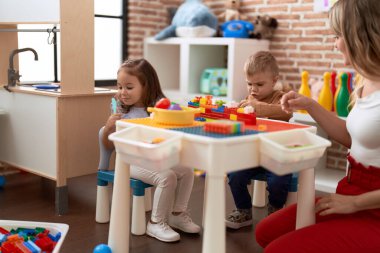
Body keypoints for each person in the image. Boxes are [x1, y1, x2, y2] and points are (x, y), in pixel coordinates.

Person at [255, 0, 380, 252]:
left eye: (337, 35)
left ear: (359, 34)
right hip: (352, 189)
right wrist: (310, 105)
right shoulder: (365, 79)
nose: (334, 44)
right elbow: (351, 137)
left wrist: (355, 204)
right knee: (264, 232)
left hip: (371, 207)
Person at [100, 58, 201, 243]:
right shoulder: (120, 111)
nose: (122, 92)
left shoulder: (156, 109)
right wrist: (108, 128)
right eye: (120, 86)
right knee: (167, 177)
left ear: (147, 86)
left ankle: (177, 214)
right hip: (129, 162)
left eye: (129, 87)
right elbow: (108, 146)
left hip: (154, 158)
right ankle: (155, 223)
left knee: (187, 170)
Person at [225, 51, 293, 229]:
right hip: (252, 155)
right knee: (234, 174)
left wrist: (257, 108)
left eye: (259, 84)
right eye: (249, 84)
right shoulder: (248, 100)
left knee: (278, 181)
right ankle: (243, 210)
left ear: (274, 80)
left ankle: (275, 208)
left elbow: (285, 112)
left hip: (276, 155)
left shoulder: (280, 98)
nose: (253, 89)